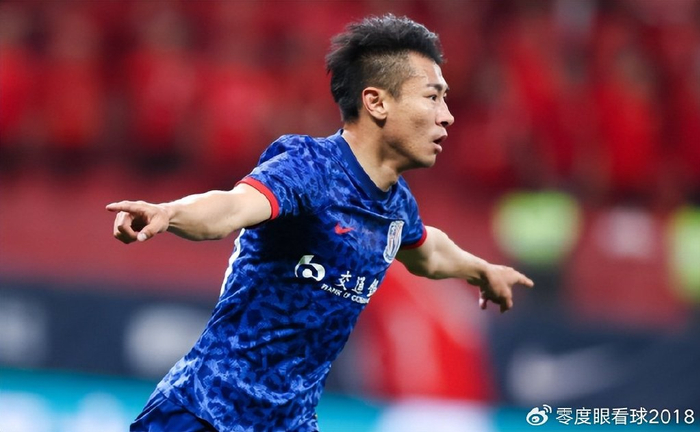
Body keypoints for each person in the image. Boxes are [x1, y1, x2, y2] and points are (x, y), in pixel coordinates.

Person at [107, 14, 534, 432]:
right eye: (432, 97)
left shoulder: (396, 204)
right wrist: (169, 213)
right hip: (205, 413)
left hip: (290, 424)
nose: (447, 116)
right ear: (376, 102)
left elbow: (430, 252)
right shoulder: (309, 167)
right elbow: (232, 208)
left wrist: (482, 271)